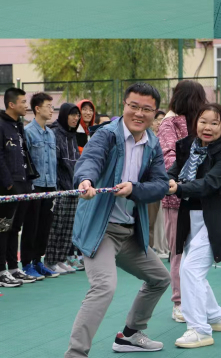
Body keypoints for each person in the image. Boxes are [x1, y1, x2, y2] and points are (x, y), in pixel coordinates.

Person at [65, 83, 171, 357]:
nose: (139, 113)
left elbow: (160, 184)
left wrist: (135, 189)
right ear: (124, 105)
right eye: (133, 106)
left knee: (160, 278)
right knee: (104, 286)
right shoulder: (107, 135)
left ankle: (131, 335)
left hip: (131, 232)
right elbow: (90, 160)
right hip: (101, 231)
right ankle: (76, 354)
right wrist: (85, 180)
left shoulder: (152, 143)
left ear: (154, 113)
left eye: (146, 109)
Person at [167, 104, 221, 348]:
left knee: (190, 269)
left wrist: (179, 188)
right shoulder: (188, 147)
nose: (207, 127)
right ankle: (214, 316)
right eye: (203, 121)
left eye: (215, 123)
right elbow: (172, 171)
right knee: (191, 270)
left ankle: (200, 330)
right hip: (191, 218)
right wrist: (165, 180)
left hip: (217, 219)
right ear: (196, 123)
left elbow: (210, 183)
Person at [158, 80, 208, 324]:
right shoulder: (170, 123)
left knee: (195, 252)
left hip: (198, 197)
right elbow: (168, 159)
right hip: (178, 197)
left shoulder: (200, 123)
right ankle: (179, 302)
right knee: (179, 251)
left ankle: (194, 300)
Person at [0, 88, 39, 288]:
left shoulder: (18, 126)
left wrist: (28, 180)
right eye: (23, 102)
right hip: (8, 187)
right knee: (3, 228)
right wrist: (8, 184)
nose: (26, 106)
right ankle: (1, 271)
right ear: (11, 104)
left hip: (23, 183)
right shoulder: (1, 125)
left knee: (16, 227)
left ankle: (14, 268)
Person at [22, 92, 59, 279]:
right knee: (31, 225)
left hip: (50, 186)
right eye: (48, 106)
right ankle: (26, 264)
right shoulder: (28, 132)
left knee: (45, 226)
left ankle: (38, 261)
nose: (51, 110)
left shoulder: (51, 133)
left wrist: (55, 186)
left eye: (52, 106)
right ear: (37, 108)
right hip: (34, 186)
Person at [44, 103, 83, 275]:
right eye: (72, 115)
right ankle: (50, 260)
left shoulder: (73, 135)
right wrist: (60, 184)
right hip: (59, 188)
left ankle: (61, 259)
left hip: (73, 188)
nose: (76, 118)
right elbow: (55, 162)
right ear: (64, 115)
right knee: (56, 226)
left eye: (77, 115)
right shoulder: (54, 133)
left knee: (68, 226)